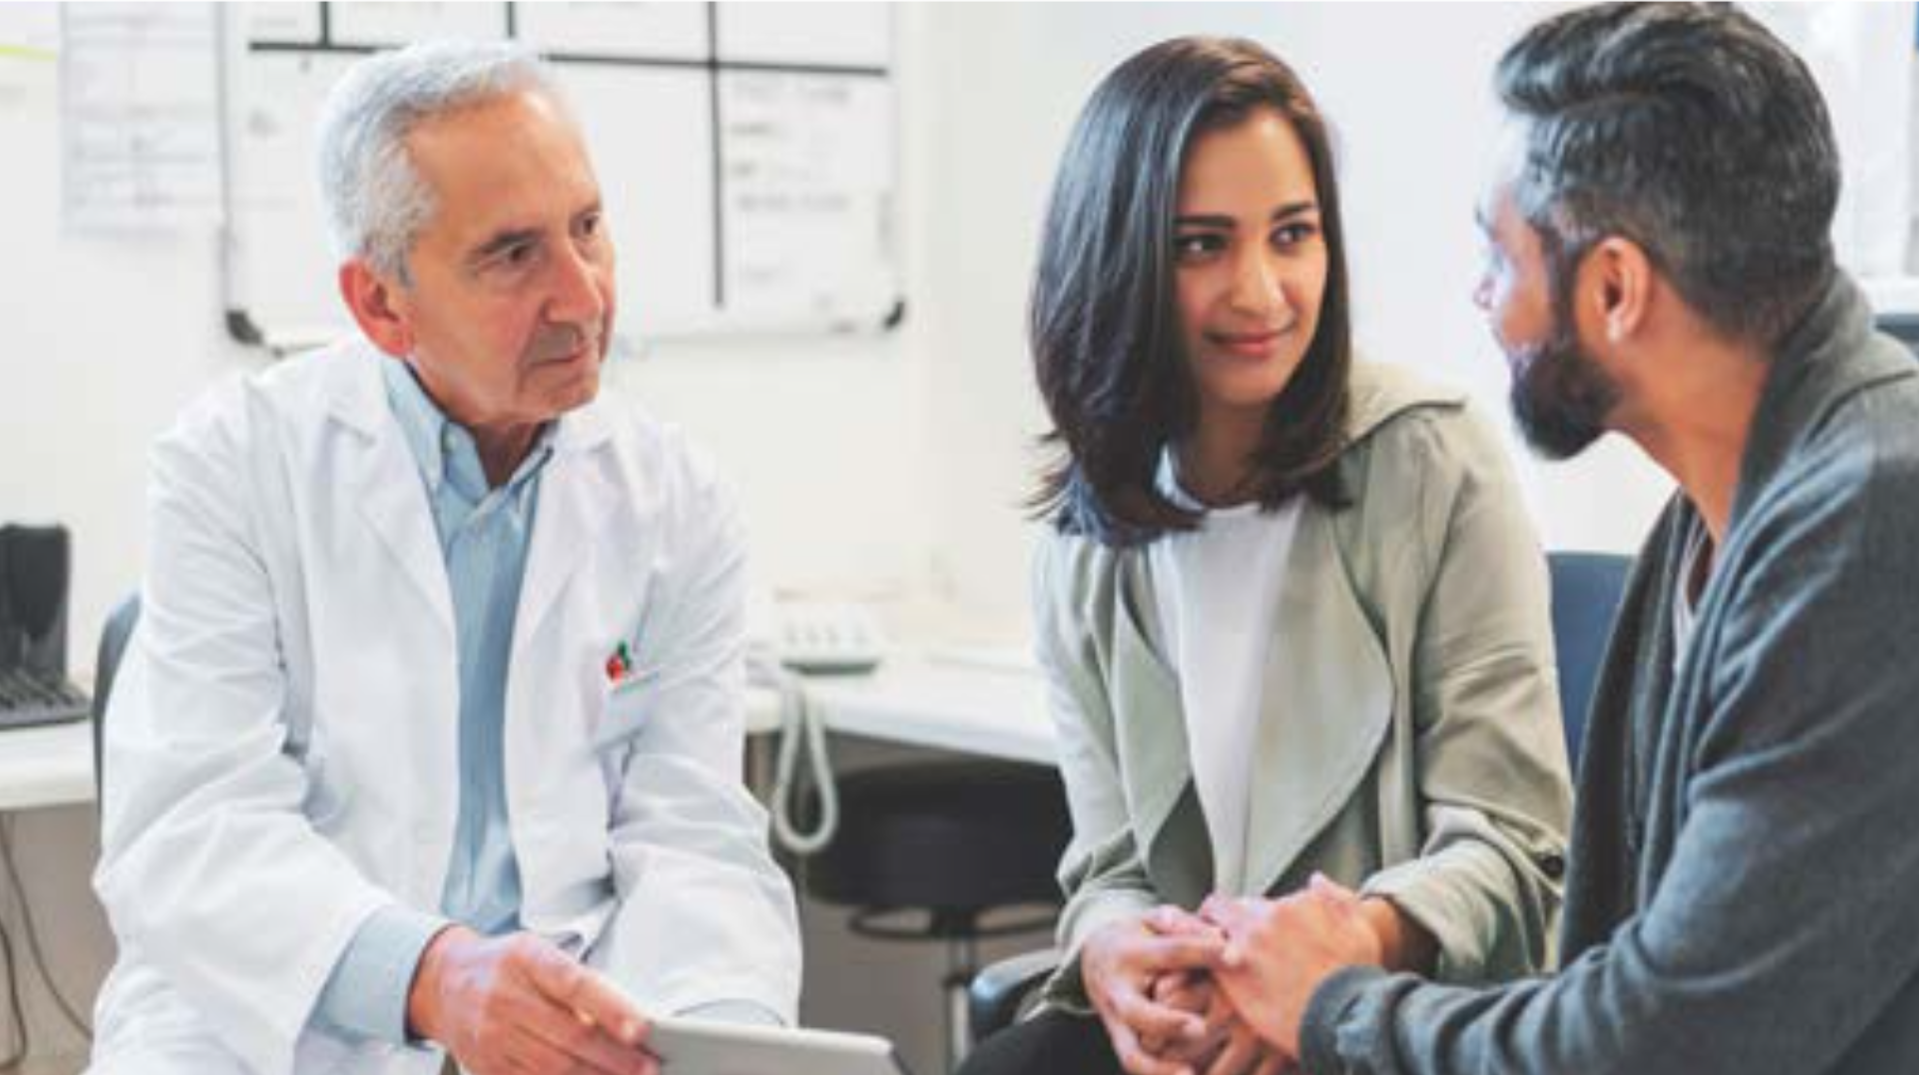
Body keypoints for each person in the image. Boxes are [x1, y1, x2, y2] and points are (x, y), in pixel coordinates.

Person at [1197, 6, 1919, 1074]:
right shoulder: (1718, 512)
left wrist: (1333, 1005)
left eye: (1499, 254)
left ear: (1615, 289)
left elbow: (1668, 1042)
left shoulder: (1866, 524)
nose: (1479, 295)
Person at [87, 42, 800, 1075]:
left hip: (571, 1018)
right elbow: (192, 830)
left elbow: (692, 836)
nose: (583, 296)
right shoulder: (235, 465)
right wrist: (432, 975)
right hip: (276, 1032)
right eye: (513, 254)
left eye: (587, 228)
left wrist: (719, 1035)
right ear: (381, 304)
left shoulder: (672, 497)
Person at [959, 37, 1573, 1075]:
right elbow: (1108, 866)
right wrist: (1111, 946)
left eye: (1291, 234)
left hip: (1385, 1023)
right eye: (1201, 244)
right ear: (1117, 262)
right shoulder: (1079, 544)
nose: (1261, 291)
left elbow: (1513, 848)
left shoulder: (1433, 464)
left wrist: (1332, 960)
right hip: (1199, 1036)